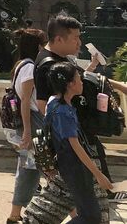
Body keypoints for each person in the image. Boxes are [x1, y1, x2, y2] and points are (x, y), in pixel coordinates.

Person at [22, 13, 124, 223]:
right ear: (59, 39)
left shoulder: (60, 64)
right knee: (91, 213)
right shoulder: (49, 68)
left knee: (87, 209)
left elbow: (81, 80)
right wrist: (96, 172)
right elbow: (43, 106)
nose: (79, 42)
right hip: (74, 152)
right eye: (75, 38)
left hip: (76, 148)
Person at [27, 61, 112, 224]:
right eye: (79, 79)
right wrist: (98, 175)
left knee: (87, 212)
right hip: (76, 168)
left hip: (67, 165)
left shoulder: (53, 101)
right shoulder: (64, 112)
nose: (81, 83)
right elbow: (77, 147)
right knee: (91, 217)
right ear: (70, 84)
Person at [4, 28, 48, 224]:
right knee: (47, 166)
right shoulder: (30, 68)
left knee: (31, 167)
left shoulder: (20, 65)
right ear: (38, 46)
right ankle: (76, 213)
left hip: (29, 123)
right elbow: (25, 100)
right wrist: (28, 132)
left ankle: (15, 214)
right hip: (33, 122)